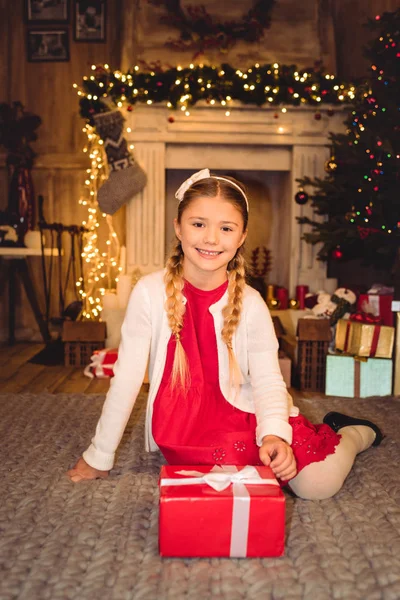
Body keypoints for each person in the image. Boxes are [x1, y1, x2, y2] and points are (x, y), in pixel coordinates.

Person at [67, 168, 383, 500]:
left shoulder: (251, 302)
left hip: (248, 421)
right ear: (178, 227)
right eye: (198, 224)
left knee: (317, 486)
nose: (211, 239)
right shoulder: (148, 292)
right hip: (184, 431)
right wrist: (98, 455)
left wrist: (274, 435)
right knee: (220, 484)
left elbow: (267, 380)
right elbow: (127, 377)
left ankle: (352, 433)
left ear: (242, 236)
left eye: (226, 228)